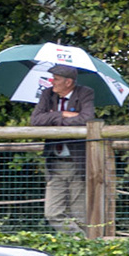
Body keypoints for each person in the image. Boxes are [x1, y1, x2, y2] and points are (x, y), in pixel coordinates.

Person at [28, 62, 95, 234]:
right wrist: (62, 115)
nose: (52, 82)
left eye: (56, 79)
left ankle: (83, 252)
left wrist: (51, 118)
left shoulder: (85, 93)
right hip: (55, 163)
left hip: (77, 162)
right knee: (52, 212)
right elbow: (35, 120)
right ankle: (81, 243)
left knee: (79, 215)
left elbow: (86, 119)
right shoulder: (47, 94)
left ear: (68, 82)